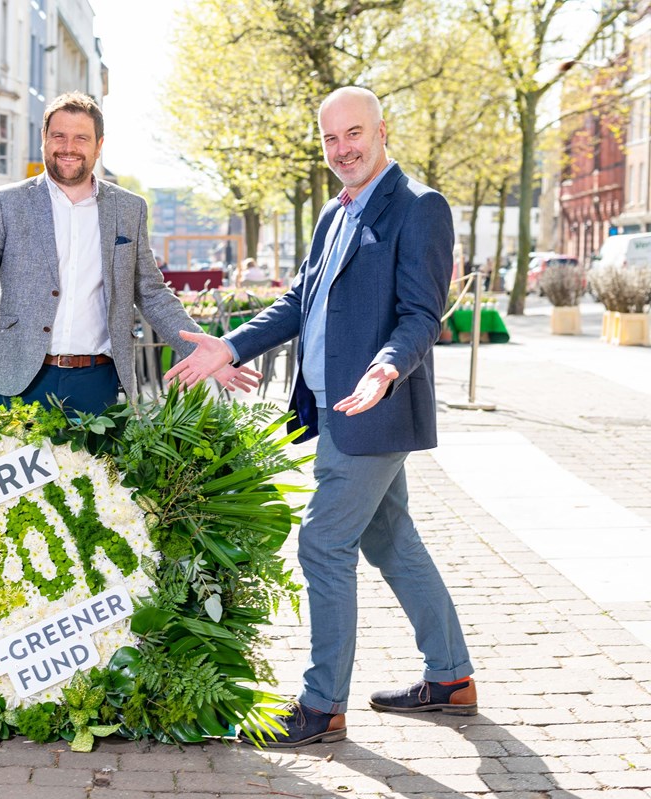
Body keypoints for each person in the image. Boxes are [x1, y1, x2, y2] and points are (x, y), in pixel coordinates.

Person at [165, 87, 475, 748]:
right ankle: (451, 677)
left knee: (322, 542)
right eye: (331, 139)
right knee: (389, 537)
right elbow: (300, 299)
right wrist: (229, 344)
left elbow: (422, 313)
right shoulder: (334, 215)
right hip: (334, 409)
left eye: (354, 134)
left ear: (382, 131)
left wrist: (386, 367)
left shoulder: (419, 208)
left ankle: (321, 704)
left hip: (374, 409)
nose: (343, 150)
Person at [0, 91, 257, 416]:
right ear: (44, 139)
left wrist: (203, 352)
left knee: (93, 485)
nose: (68, 147)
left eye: (80, 138)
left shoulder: (128, 208)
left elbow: (152, 292)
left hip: (95, 381)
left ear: (98, 145)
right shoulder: (6, 202)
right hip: (16, 378)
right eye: (58, 136)